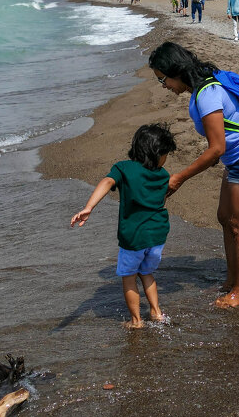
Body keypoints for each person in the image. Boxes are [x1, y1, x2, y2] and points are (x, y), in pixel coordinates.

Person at [150, 42, 239, 308]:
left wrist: (179, 178)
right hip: (238, 159)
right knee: (224, 218)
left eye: (163, 79)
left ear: (175, 70)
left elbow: (216, 148)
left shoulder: (206, 93)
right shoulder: (201, 87)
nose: (164, 86)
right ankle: (232, 279)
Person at [70, 123, 177, 329]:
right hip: (157, 234)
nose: (165, 159)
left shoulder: (124, 168)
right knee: (147, 273)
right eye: (165, 154)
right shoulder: (163, 175)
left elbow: (107, 181)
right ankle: (156, 313)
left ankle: (136, 321)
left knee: (129, 277)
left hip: (134, 236)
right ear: (155, 153)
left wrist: (89, 207)